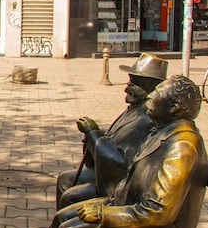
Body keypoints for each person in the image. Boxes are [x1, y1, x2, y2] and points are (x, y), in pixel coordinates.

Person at [0, 75, 208, 228]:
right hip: (134, 207)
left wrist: (104, 213)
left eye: (157, 94)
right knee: (65, 215)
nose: (150, 96)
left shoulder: (181, 147)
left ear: (173, 108)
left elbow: (157, 212)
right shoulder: (165, 130)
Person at [56, 53, 167, 210]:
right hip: (111, 174)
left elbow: (119, 164)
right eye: (129, 81)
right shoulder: (135, 109)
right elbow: (112, 142)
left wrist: (93, 134)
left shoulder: (146, 120)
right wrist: (94, 134)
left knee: (71, 197)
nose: (126, 87)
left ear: (150, 87)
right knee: (65, 180)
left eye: (134, 83)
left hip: (124, 184)